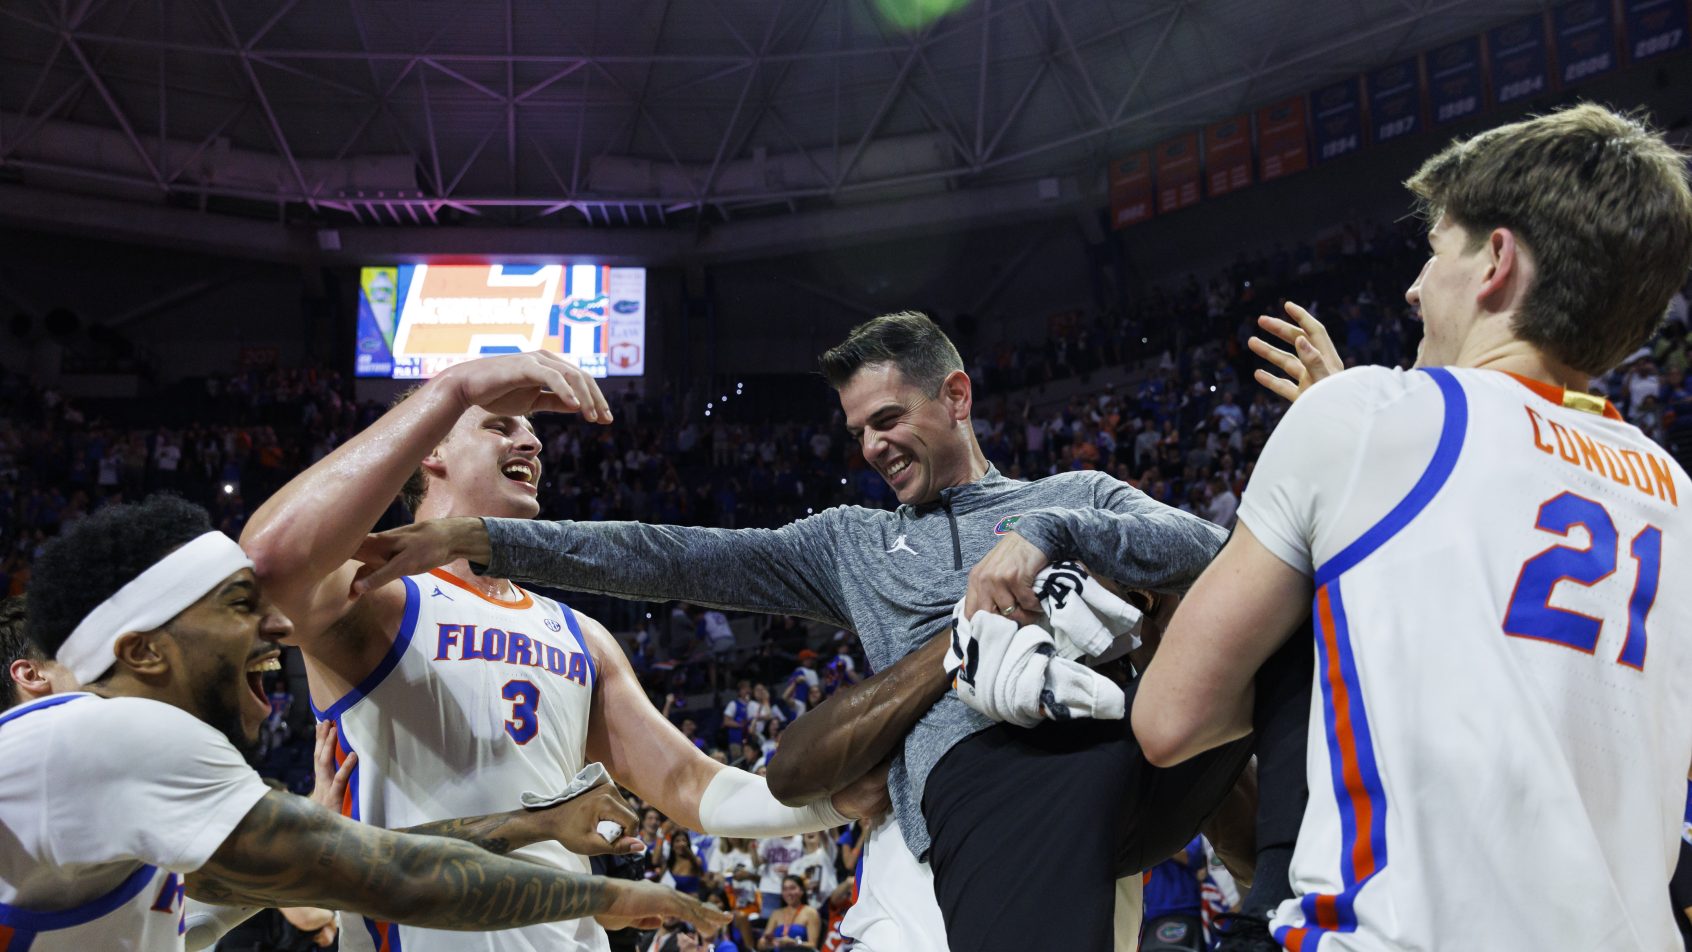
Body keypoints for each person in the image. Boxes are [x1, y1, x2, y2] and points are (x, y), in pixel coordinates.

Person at [348, 312, 1296, 952]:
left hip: (1101, 779)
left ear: (955, 398)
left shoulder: (1071, 497)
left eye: (890, 418)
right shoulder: (849, 542)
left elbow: (1209, 551)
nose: (875, 446)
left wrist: (1049, 535)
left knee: (1278, 613)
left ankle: (1290, 891)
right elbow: (675, 557)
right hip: (961, 823)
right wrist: (487, 538)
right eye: (858, 433)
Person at [1132, 104, 1692, 949]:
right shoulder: (1676, 495)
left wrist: (1335, 414)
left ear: (1496, 261)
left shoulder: (1363, 418)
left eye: (1435, 251)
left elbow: (1170, 719)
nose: (1414, 287)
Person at [239, 350, 884, 952]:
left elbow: (691, 784)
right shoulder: (375, 598)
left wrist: (831, 802)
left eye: (529, 431)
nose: (533, 442)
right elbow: (267, 560)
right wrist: (452, 389)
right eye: (499, 426)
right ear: (431, 448)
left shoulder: (580, 635)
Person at [0, 494, 728, 950]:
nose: (279, 627)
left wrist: (534, 828)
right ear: (145, 653)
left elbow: (360, 857)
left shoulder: (127, 807)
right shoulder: (111, 735)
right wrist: (613, 894)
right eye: (237, 607)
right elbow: (395, 877)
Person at [758, 876, 821, 951]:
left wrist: (794, 942)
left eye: (792, 888)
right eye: (785, 889)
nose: (788, 893)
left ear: (801, 891)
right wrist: (764, 942)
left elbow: (813, 945)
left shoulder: (810, 913)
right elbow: (762, 944)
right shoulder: (776, 914)